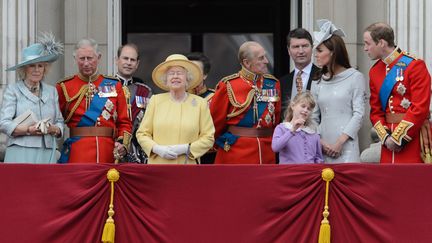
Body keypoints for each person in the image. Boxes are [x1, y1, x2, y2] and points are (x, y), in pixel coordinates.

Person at [363, 22, 431, 163]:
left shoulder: (415, 65)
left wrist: (398, 138)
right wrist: (386, 138)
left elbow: (420, 107)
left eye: (367, 43)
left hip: (413, 139)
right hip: (388, 143)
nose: (365, 48)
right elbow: (375, 112)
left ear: (381, 43)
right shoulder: (375, 71)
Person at [56, 38, 132, 163]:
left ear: (99, 57)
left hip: (107, 151)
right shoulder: (64, 87)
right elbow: (57, 120)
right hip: (77, 152)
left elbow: (124, 121)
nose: (86, 63)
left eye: (90, 58)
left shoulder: (114, 85)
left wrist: (122, 144)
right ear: (75, 59)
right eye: (82, 58)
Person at [210, 41, 281, 164]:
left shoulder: (273, 84)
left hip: (267, 151)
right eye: (261, 58)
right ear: (247, 63)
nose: (266, 61)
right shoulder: (229, 85)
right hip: (236, 153)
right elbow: (215, 122)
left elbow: (276, 118)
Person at [136, 54, 215, 164]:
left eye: (180, 73)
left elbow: (208, 138)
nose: (175, 76)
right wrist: (157, 149)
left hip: (187, 166)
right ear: (166, 79)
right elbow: (142, 134)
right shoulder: (155, 101)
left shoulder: (200, 103)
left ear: (187, 78)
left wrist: (186, 148)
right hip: (158, 166)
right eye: (171, 73)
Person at [0, 33, 64, 163]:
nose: (36, 70)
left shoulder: (52, 91)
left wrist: (54, 129)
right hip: (20, 151)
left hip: (48, 152)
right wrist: (29, 130)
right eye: (32, 65)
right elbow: (4, 123)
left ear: (45, 69)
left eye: (40, 66)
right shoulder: (13, 90)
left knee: (47, 184)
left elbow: (59, 122)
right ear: (24, 69)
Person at [310, 19, 366, 163]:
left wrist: (340, 142)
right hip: (322, 146)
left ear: (333, 52)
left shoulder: (355, 77)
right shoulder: (317, 81)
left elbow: (358, 114)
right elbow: (313, 117)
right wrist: (320, 142)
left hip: (347, 146)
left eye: (320, 51)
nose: (316, 55)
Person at [115, 43, 152, 163]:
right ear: (117, 60)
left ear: (137, 64)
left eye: (132, 60)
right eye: (125, 58)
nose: (129, 62)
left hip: (137, 152)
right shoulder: (105, 86)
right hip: (112, 147)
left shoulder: (145, 91)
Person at [271, 91, 323, 164]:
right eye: (303, 106)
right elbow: (275, 148)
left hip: (309, 174)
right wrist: (292, 130)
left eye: (309, 109)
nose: (305, 110)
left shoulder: (313, 134)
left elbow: (318, 158)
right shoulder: (282, 128)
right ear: (293, 106)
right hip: (289, 173)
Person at [279, 28, 320, 117]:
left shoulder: (323, 76)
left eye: (305, 46)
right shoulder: (282, 82)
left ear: (312, 48)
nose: (301, 51)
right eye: (296, 47)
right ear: (289, 50)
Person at [185, 52, 216, 164]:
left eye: (196, 70)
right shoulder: (174, 97)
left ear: (204, 75)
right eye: (188, 69)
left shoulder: (215, 98)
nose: (190, 74)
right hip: (179, 155)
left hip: (208, 157)